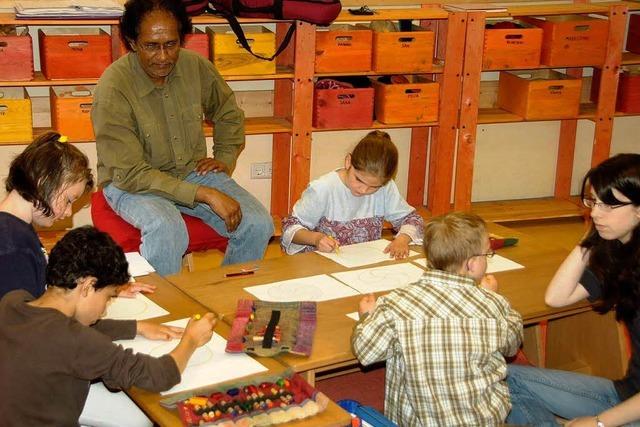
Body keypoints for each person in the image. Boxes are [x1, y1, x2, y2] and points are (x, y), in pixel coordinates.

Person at [91, 0, 274, 276]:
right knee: (168, 229)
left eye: (171, 44)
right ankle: (166, 311)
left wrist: (224, 158)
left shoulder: (195, 66)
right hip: (130, 183)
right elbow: (130, 173)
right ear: (132, 42)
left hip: (190, 172)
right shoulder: (113, 86)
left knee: (259, 223)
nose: (163, 56)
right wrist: (204, 193)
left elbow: (228, 112)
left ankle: (226, 299)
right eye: (152, 46)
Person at [0, 226, 217, 426]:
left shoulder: (14, 302)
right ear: (88, 286)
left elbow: (66, 330)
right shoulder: (75, 342)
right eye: (108, 297)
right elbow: (159, 375)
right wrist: (191, 339)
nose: (104, 309)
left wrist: (136, 327)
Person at [351, 212, 523, 426]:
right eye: (487, 254)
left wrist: (368, 317)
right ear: (471, 264)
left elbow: (366, 351)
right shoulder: (492, 304)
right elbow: (512, 345)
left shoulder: (396, 303)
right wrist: (494, 297)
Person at [507, 153, 640, 427]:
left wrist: (599, 423)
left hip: (631, 409)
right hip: (627, 397)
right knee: (500, 377)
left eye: (608, 206)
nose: (594, 213)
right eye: (594, 202)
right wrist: (590, 239)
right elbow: (557, 297)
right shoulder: (620, 255)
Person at [0, 131, 152, 299]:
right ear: (43, 181)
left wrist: (107, 289)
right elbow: (23, 320)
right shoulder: (11, 247)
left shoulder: (17, 229)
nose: (68, 212)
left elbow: (47, 287)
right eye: (68, 200)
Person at [281, 130, 423, 258]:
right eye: (359, 180)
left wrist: (402, 238)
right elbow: (290, 228)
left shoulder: (385, 188)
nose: (363, 190)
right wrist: (316, 238)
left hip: (363, 264)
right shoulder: (323, 188)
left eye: (373, 187)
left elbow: (411, 219)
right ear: (349, 162)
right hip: (322, 264)